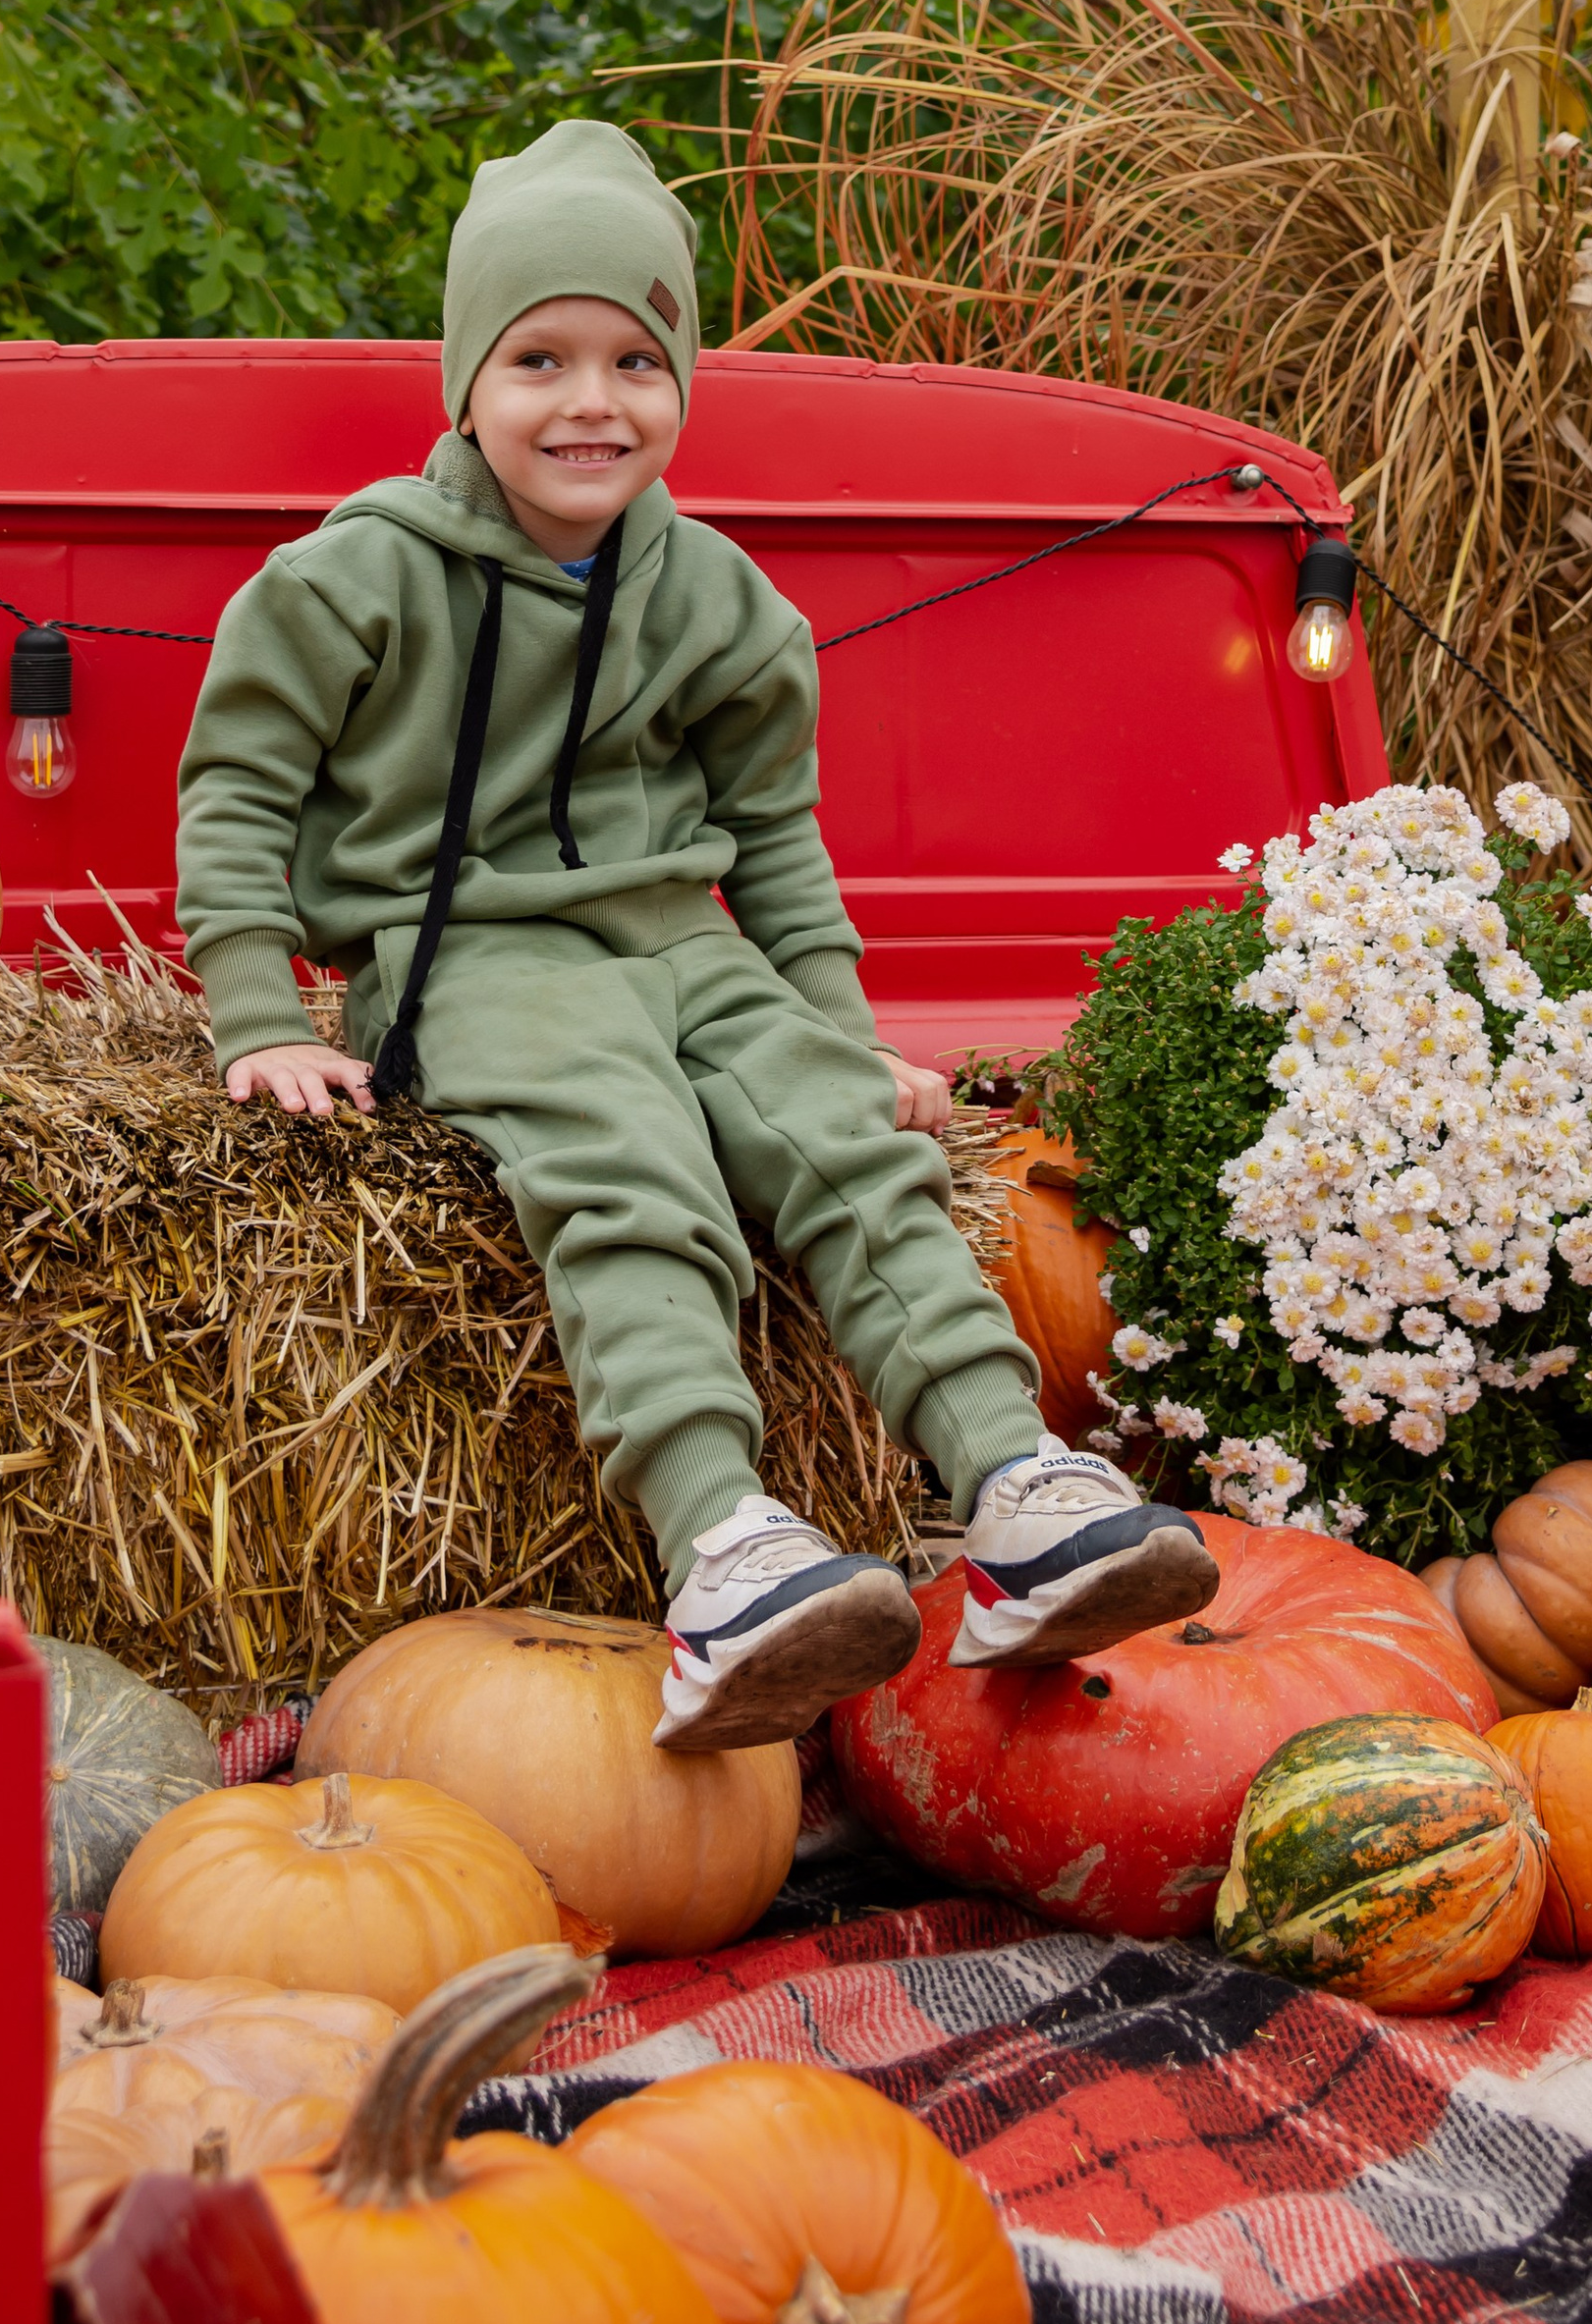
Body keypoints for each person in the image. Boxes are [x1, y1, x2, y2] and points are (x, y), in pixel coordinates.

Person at [175, 119, 1217, 1749]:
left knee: (843, 1153)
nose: (592, 401)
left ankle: (1014, 1487)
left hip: (685, 948)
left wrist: (838, 1032)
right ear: (466, 378)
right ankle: (722, 1545)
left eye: (637, 360)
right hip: (475, 960)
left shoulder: (723, 600)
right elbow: (235, 786)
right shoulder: (352, 579)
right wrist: (260, 1011)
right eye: (540, 357)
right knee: (631, 1163)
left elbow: (781, 849)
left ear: (680, 386)